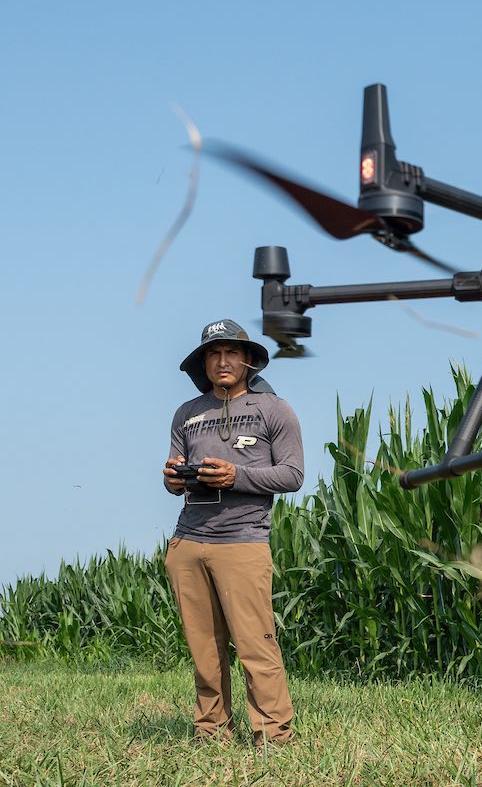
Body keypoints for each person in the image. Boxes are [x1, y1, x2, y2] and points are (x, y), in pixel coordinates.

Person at [162, 318, 304, 749]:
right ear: (203, 361)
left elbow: (293, 474)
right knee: (204, 651)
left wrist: (235, 476)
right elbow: (175, 468)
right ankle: (210, 733)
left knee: (256, 647)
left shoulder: (273, 409)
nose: (222, 361)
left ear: (247, 361)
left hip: (242, 542)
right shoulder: (187, 413)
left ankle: (273, 737)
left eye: (231, 353)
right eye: (213, 353)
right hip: (187, 541)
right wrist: (172, 480)